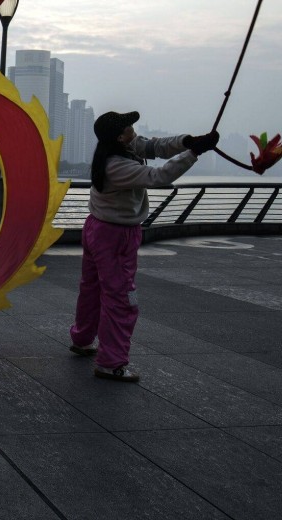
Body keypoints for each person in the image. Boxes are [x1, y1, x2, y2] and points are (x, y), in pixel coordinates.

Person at [69, 111, 218, 382]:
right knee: (122, 299)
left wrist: (188, 141)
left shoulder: (121, 147)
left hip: (97, 228)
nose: (134, 129)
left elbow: (156, 146)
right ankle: (111, 363)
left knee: (91, 288)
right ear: (119, 135)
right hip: (116, 236)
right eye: (129, 126)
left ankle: (82, 339)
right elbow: (159, 176)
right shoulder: (117, 164)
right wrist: (193, 153)